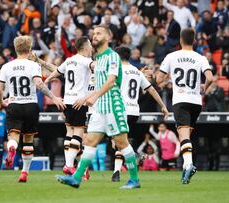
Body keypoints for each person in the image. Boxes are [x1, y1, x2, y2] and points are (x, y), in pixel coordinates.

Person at [56, 25, 141, 190]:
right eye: (93, 33)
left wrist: (93, 97)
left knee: (122, 143)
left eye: (99, 33)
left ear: (108, 37)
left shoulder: (113, 57)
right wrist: (85, 97)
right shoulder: (99, 59)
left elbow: (111, 81)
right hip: (100, 107)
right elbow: (99, 85)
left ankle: (135, 179)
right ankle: (76, 178)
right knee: (89, 142)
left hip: (113, 106)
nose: (94, 36)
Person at [0, 36, 65, 182]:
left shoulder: (7, 66)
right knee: (28, 140)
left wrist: (2, 101)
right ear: (30, 48)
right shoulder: (33, 65)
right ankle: (24, 173)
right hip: (31, 105)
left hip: (14, 104)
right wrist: (54, 98)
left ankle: (12, 148)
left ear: (15, 48)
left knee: (13, 136)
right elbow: (39, 84)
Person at [156, 28, 214, 184]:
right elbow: (210, 77)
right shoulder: (200, 58)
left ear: (180, 40)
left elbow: (159, 80)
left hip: (180, 101)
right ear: (194, 40)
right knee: (187, 137)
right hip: (196, 102)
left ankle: (188, 165)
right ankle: (185, 171)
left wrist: (169, 80)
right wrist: (204, 88)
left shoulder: (172, 56)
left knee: (184, 136)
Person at [33, 36, 93, 178]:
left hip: (67, 101)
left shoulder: (69, 60)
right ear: (85, 47)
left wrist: (46, 79)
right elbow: (94, 67)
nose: (91, 47)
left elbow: (58, 71)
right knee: (79, 133)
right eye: (90, 44)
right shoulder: (87, 61)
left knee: (69, 132)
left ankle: (74, 166)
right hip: (80, 101)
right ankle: (70, 165)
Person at [111, 46, 169, 182]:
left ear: (118, 57)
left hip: (120, 110)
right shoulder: (137, 73)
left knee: (117, 142)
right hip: (134, 112)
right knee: (120, 140)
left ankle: (134, 156)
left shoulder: (116, 70)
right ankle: (116, 172)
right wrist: (163, 106)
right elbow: (152, 90)